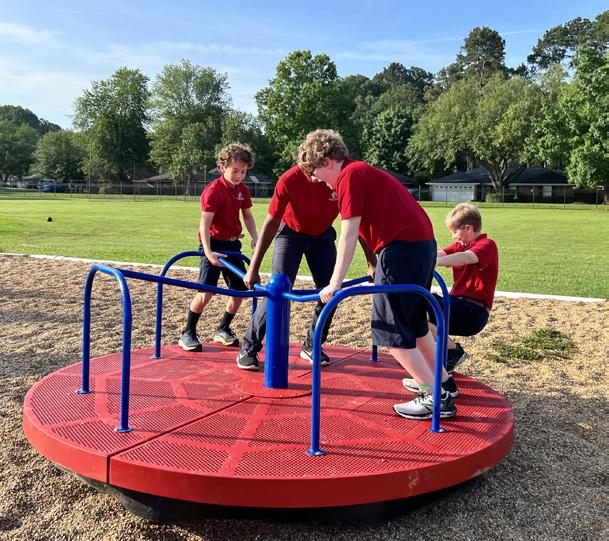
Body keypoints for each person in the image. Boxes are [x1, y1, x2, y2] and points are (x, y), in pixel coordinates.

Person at [298, 129, 456, 420]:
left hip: (401, 249)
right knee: (415, 322)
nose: (315, 179)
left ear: (328, 160)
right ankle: (443, 382)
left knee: (388, 329)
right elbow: (366, 227)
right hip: (421, 246)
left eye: (314, 170)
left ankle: (434, 397)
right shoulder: (360, 172)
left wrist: (334, 283)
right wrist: (375, 265)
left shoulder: (349, 176)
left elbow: (348, 234)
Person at [235, 162, 377, 371]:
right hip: (290, 234)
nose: (316, 179)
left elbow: (355, 222)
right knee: (279, 289)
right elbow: (271, 222)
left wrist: (371, 261)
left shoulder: (340, 179)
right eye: (311, 173)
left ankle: (312, 344)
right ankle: (249, 347)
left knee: (332, 289)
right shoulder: (289, 179)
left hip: (322, 235)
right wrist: (253, 268)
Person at [403, 203, 498, 393]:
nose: (454, 237)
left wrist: (432, 263)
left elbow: (466, 258)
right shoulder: (460, 245)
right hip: (458, 304)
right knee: (416, 307)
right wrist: (411, 261)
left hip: (473, 311)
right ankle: (448, 353)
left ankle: (446, 356)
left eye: (455, 231)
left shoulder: (486, 245)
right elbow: (438, 253)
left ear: (468, 228)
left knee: (418, 309)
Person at [178, 143, 258, 352]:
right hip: (212, 244)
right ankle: (188, 331)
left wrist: (255, 237)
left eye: (243, 172)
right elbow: (204, 224)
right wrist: (208, 252)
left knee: (239, 291)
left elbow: (247, 216)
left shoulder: (242, 190)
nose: (239, 176)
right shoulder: (213, 191)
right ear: (223, 168)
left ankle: (223, 328)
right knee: (206, 292)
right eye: (235, 171)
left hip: (232, 245)